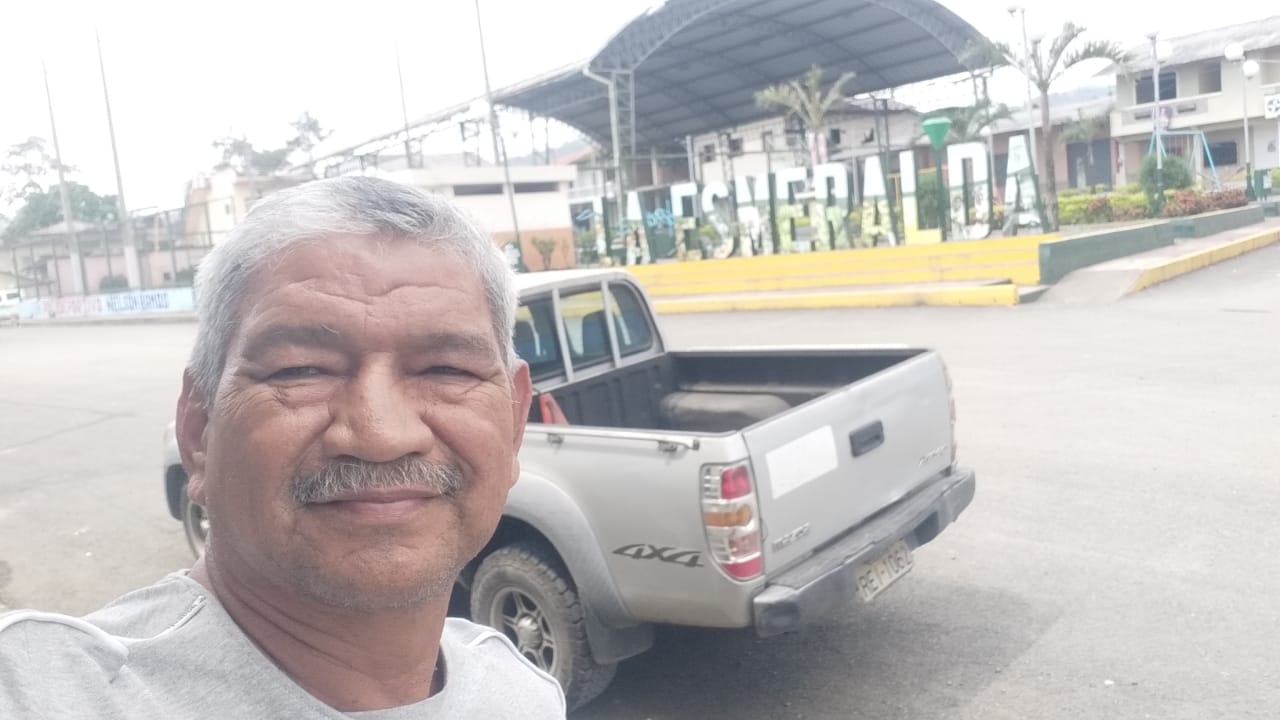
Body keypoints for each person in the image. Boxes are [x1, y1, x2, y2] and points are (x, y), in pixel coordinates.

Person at [0, 176, 566, 718]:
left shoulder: (525, 697)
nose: (380, 436)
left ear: (515, 423)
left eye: (447, 370)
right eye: (300, 370)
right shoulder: (52, 691)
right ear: (197, 431)